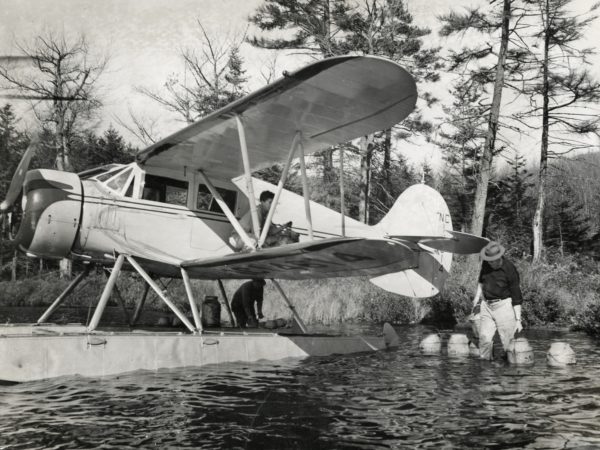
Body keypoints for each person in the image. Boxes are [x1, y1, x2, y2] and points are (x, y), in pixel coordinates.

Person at [471, 241, 524, 360]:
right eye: (489, 261)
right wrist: (477, 297)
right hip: (487, 305)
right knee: (484, 338)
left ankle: (509, 371)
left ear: (499, 257)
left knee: (507, 341)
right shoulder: (486, 264)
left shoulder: (509, 269)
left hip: (504, 306)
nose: (491, 264)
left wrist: (518, 320)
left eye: (493, 261)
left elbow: (516, 296)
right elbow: (481, 281)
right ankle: (486, 369)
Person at [230, 190, 298, 250]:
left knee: (282, 237)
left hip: (251, 236)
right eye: (270, 202)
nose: (272, 205)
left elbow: (270, 231)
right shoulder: (256, 211)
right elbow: (257, 234)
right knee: (255, 241)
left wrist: (283, 227)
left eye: (273, 203)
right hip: (238, 237)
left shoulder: (266, 213)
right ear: (262, 202)